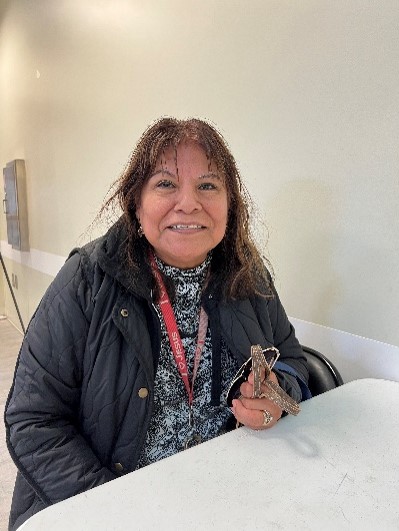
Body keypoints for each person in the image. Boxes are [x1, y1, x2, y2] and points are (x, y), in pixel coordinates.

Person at [5, 117, 310, 530]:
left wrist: (279, 395)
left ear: (230, 203)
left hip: (230, 498)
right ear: (136, 202)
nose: (189, 203)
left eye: (208, 185)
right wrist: (119, 509)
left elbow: (292, 361)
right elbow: (33, 420)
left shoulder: (249, 275)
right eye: (166, 184)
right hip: (109, 508)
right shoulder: (87, 280)